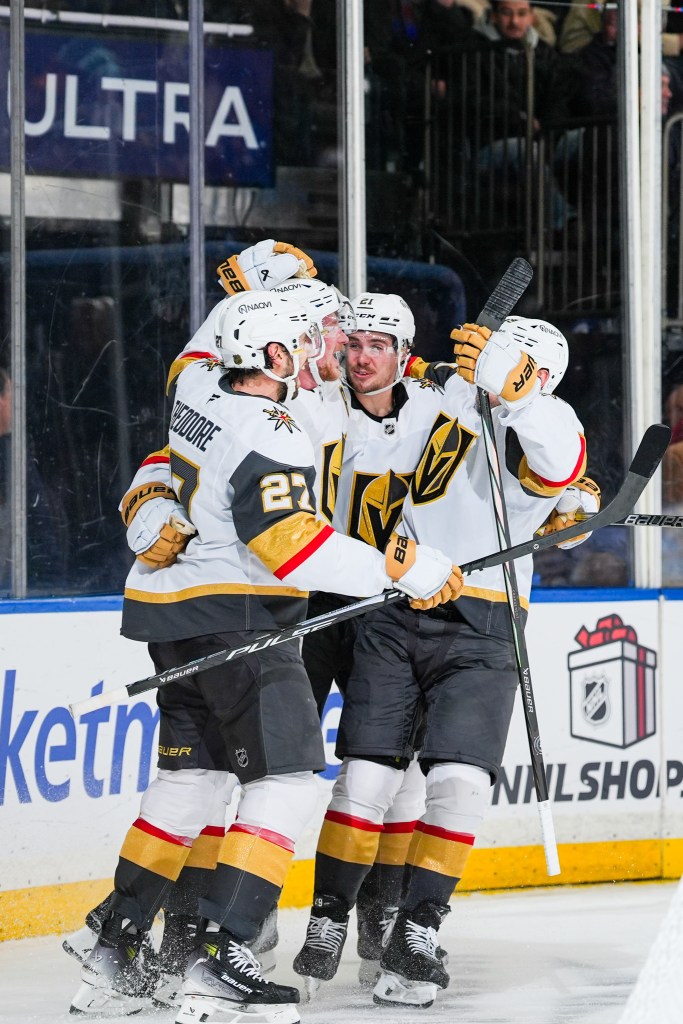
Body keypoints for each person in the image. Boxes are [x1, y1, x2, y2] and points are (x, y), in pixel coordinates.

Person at [69, 291, 463, 1023]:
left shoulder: (199, 388)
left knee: (191, 780)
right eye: (312, 342)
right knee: (286, 780)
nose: (329, 354)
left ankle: (114, 944)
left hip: (173, 613)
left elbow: (166, 452)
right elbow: (288, 545)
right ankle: (223, 955)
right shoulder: (274, 427)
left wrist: (148, 495)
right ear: (276, 358)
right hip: (239, 621)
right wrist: (402, 570)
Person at [293, 314, 598, 1009]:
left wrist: (525, 406)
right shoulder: (446, 392)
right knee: (365, 777)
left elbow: (558, 457)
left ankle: (417, 931)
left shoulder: (538, 414)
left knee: (460, 784)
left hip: (484, 624)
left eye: (498, 357)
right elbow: (390, 388)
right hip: (395, 611)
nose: (477, 360)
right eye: (481, 351)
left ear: (533, 375)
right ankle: (328, 916)